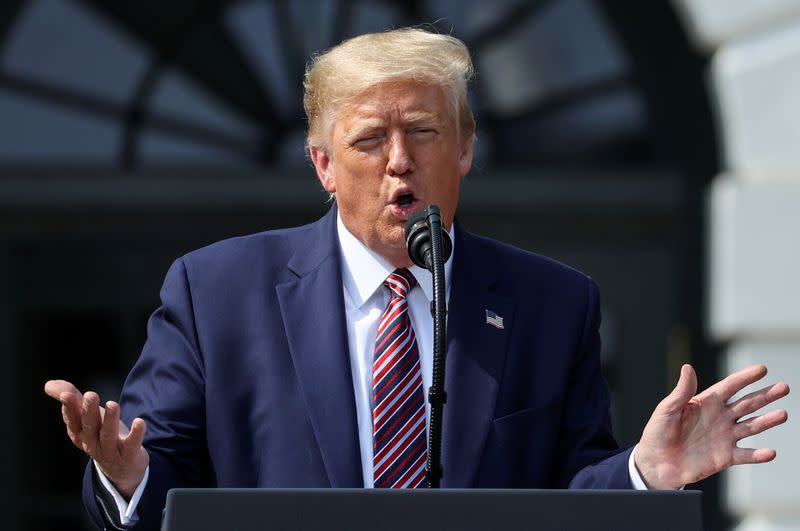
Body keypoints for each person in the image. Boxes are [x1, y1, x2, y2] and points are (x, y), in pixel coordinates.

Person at [45, 27, 789, 531]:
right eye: (369, 139)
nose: (399, 161)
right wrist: (127, 472)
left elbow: (569, 494)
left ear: (464, 150)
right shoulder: (216, 294)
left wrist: (642, 473)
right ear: (324, 166)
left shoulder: (551, 303)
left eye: (425, 133)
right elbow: (157, 482)